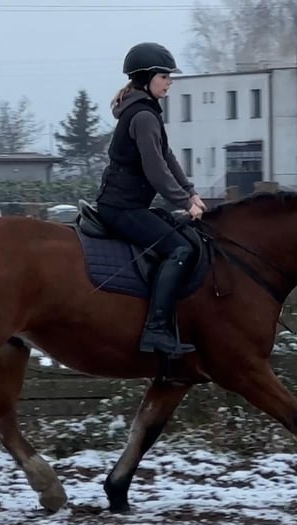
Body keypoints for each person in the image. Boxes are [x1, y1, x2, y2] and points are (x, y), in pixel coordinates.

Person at [95, 42, 208, 357]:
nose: (169, 81)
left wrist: (190, 191)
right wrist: (184, 202)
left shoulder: (146, 111)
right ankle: (156, 330)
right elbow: (155, 169)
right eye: (164, 76)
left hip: (130, 204)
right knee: (180, 249)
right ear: (145, 78)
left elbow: (166, 155)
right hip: (121, 207)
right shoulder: (143, 115)